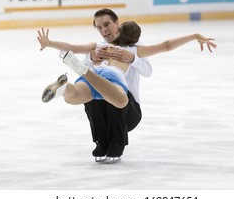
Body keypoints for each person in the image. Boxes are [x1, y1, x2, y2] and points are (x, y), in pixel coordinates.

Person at [37, 20, 217, 162]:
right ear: (135, 39)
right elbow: (166, 45)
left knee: (73, 96)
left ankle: (65, 87)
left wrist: (50, 43)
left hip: (94, 74)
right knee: (121, 100)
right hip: (111, 76)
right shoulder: (133, 50)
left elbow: (73, 48)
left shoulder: (101, 47)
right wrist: (194, 35)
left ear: (118, 30)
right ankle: (83, 70)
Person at [39, 9, 152, 163]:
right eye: (98, 27)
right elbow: (73, 47)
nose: (103, 30)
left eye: (106, 25)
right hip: (103, 97)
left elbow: (148, 71)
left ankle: (116, 143)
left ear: (117, 23)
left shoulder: (133, 46)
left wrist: (132, 59)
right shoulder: (98, 46)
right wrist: (51, 44)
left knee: (108, 93)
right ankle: (102, 142)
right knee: (93, 90)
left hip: (128, 110)